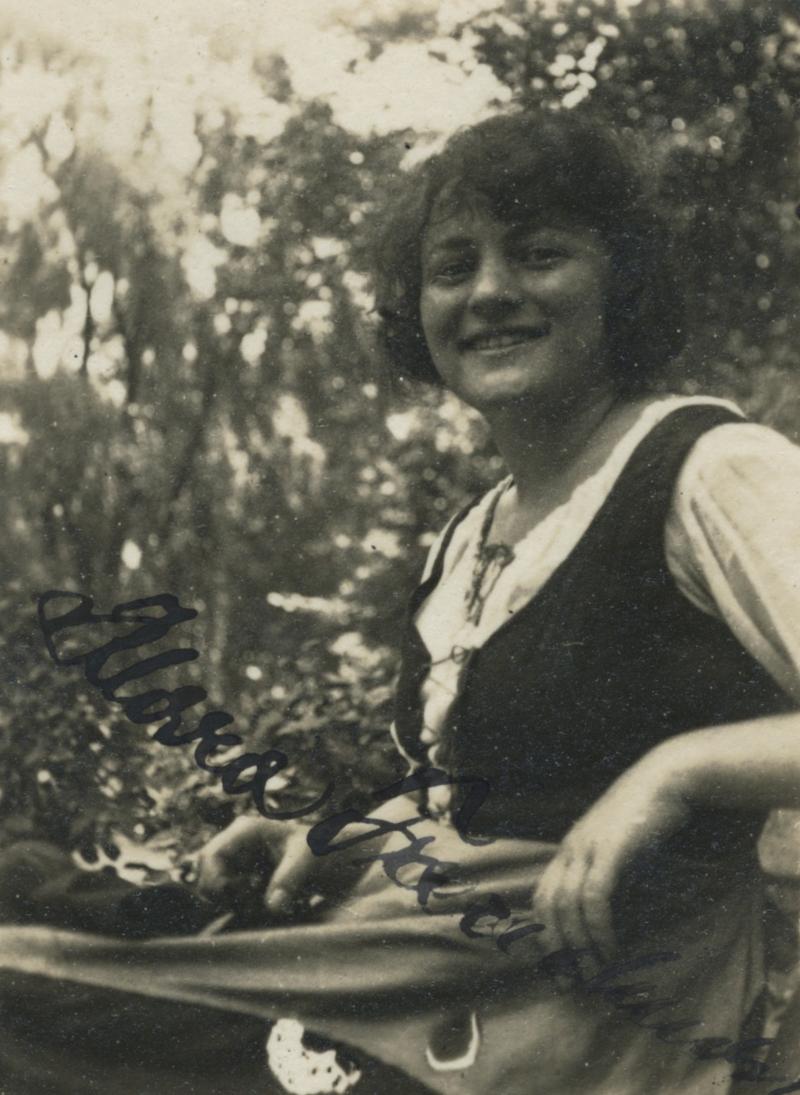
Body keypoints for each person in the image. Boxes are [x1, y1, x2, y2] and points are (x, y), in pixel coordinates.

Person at [1, 109, 799, 1094]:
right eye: (452, 267)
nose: (489, 292)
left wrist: (676, 772)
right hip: (424, 960)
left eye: (539, 254)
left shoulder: (709, 469)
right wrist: (342, 838)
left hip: (577, 1016)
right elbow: (493, 791)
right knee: (29, 925)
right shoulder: (473, 531)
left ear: (620, 280)